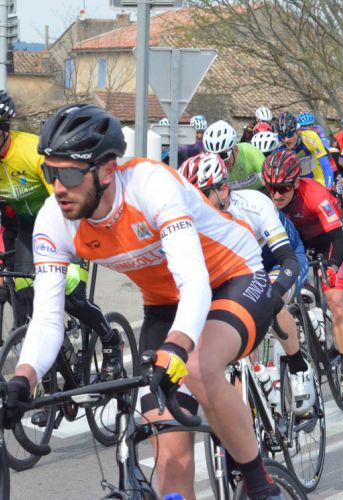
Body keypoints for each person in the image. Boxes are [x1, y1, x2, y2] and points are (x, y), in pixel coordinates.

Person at [6, 104, 283, 500]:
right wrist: (24, 378)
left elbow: (194, 281)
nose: (58, 188)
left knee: (200, 367)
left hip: (232, 277)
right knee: (169, 455)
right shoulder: (55, 220)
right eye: (51, 173)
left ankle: (260, 484)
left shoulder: (151, 185)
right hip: (165, 305)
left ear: (106, 171)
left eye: (69, 175)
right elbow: (48, 319)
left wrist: (177, 347)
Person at [179, 152, 316, 413]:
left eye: (202, 194)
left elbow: (288, 260)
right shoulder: (192, 218)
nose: (195, 203)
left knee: (268, 298)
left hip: (276, 259)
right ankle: (253, 388)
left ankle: (299, 367)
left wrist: (274, 292)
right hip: (240, 267)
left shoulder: (254, 204)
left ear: (223, 190)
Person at [0, 91, 121, 381]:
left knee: (70, 296)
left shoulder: (30, 152)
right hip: (26, 232)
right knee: (26, 297)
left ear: (4, 129)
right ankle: (53, 370)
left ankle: (110, 339)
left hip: (68, 226)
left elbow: (64, 200)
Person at [261, 149, 343, 400]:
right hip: (294, 247)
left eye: (283, 188)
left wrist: (332, 265)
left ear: (295, 183)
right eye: (271, 188)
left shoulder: (316, 195)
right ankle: (308, 324)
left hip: (326, 242)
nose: (276, 195)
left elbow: (338, 239)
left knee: (336, 300)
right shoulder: (265, 201)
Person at [276, 111, 335, 189]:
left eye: (290, 134)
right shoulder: (277, 143)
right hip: (294, 183)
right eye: (282, 136)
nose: (286, 140)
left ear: (297, 131)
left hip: (316, 179)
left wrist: (329, 186)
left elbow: (326, 166)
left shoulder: (311, 137)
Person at [203, 120, 266, 191]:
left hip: (261, 191)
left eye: (223, 155)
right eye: (215, 157)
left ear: (235, 149)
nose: (220, 162)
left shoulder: (249, 151)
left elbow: (268, 182)